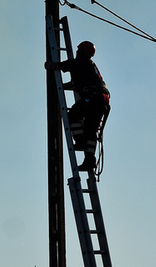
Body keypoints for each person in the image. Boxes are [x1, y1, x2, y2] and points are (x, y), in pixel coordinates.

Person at [45, 40, 110, 172]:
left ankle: (80, 141)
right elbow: (76, 83)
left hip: (93, 98)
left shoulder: (81, 62)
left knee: (72, 115)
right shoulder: (90, 66)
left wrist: (51, 65)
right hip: (103, 100)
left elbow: (66, 65)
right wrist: (62, 87)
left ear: (81, 51)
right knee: (91, 130)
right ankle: (90, 161)